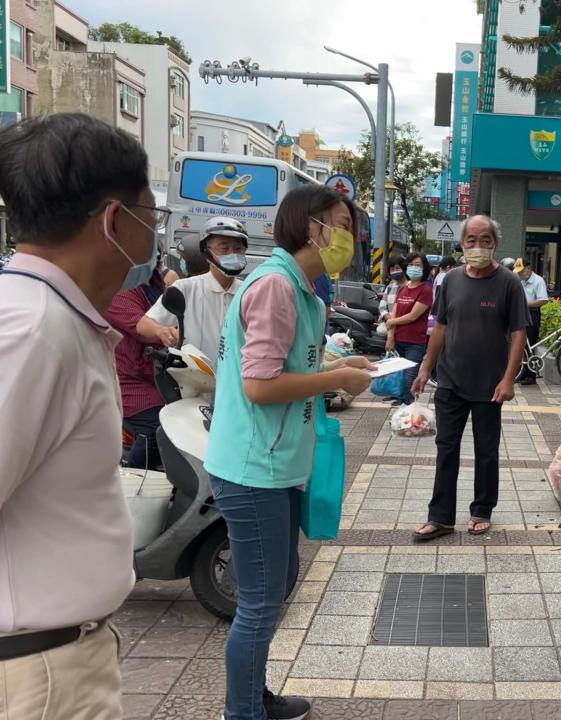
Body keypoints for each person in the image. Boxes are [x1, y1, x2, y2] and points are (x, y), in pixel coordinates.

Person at [0, 113, 156, 718]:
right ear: (116, 221)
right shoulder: (33, 332)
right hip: (39, 675)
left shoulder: (47, 318)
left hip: (55, 658)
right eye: (152, 214)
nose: (154, 236)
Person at [203, 186, 374, 720]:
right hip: (254, 467)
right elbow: (259, 384)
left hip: (274, 464)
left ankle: (253, 695)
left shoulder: (302, 290)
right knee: (258, 602)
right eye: (342, 223)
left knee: (277, 585)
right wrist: (333, 378)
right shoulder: (276, 285)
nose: (350, 236)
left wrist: (345, 365)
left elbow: (291, 356)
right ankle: (243, 711)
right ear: (311, 226)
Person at [410, 215, 529, 540]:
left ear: (495, 244)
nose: (478, 246)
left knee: (486, 451)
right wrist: (425, 367)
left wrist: (509, 379)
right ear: (462, 245)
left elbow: (518, 332)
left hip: (489, 385)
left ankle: (481, 510)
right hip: (450, 380)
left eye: (485, 240)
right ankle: (441, 517)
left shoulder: (508, 282)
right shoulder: (451, 280)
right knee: (446, 447)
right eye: (471, 241)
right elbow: (441, 326)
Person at [137, 216, 249, 369]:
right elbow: (143, 324)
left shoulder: (250, 292)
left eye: (238, 249)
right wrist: (161, 330)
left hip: (237, 383)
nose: (232, 254)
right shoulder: (185, 288)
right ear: (206, 252)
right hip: (193, 383)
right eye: (224, 249)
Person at [104, 256, 168, 469]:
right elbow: (140, 324)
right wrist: (162, 331)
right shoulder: (120, 290)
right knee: (155, 425)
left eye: (156, 256)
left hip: (157, 373)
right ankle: (137, 480)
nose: (154, 261)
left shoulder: (155, 286)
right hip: (127, 378)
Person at [386, 252, 434, 406]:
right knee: (399, 376)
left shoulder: (425, 290)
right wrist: (390, 337)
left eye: (418, 265)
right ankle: (402, 403)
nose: (414, 268)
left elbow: (413, 316)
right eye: (411, 265)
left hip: (415, 342)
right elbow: (395, 311)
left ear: (425, 268)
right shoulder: (402, 288)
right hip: (399, 339)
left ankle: (409, 408)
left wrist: (392, 321)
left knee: (409, 378)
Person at [515, 258, 550, 385]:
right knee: (522, 344)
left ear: (529, 268)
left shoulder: (538, 281)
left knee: (531, 343)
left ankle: (531, 376)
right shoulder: (521, 280)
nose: (520, 273)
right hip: (522, 313)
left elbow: (543, 300)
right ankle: (522, 372)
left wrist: (525, 304)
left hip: (533, 314)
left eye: (522, 270)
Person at [378, 254, 406, 330]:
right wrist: (390, 320)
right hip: (390, 324)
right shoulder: (390, 287)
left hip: (405, 325)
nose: (395, 271)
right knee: (381, 331)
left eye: (397, 268)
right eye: (392, 269)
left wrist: (396, 322)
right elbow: (382, 307)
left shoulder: (410, 286)